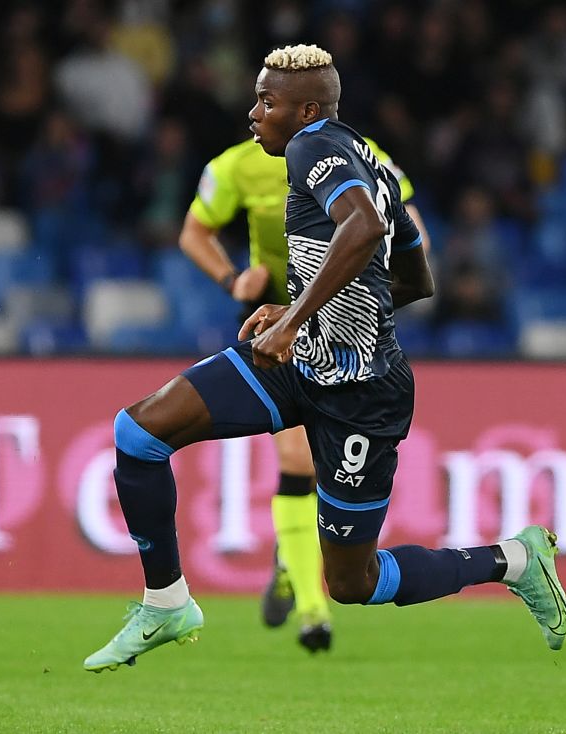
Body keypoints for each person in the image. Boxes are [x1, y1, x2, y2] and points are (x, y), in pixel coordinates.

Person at [84, 45, 566, 673]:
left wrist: (294, 316)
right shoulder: (368, 159)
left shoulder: (313, 146)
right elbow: (417, 277)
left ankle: (515, 561)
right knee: (141, 431)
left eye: (267, 100)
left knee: (354, 581)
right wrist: (300, 314)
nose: (254, 111)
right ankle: (166, 602)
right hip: (300, 365)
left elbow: (364, 227)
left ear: (306, 109)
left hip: (363, 395)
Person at [179, 123, 427, 653]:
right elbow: (193, 231)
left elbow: (412, 230)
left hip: (343, 322)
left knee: (319, 467)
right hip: (274, 320)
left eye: (270, 103)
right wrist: (230, 279)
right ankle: (314, 614)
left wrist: (378, 281)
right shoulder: (233, 166)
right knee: (297, 464)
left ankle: (292, 561)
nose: (259, 114)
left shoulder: (359, 155)